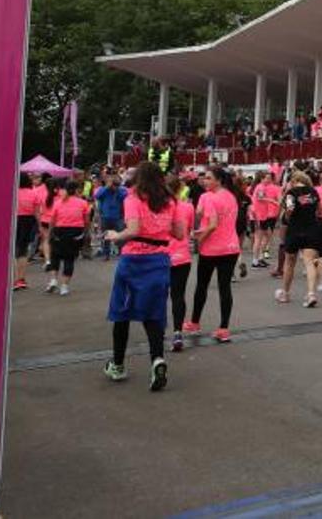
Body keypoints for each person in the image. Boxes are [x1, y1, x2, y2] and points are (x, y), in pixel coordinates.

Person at [103, 161, 181, 391]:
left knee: (122, 312)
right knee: (154, 314)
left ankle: (117, 365)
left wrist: (116, 235)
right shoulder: (170, 202)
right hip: (159, 262)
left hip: (133, 261)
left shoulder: (133, 199)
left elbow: (134, 230)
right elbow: (179, 232)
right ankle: (157, 360)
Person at [187, 166, 240, 343]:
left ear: (218, 180)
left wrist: (198, 237)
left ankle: (195, 322)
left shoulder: (208, 198)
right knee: (224, 287)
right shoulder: (231, 196)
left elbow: (211, 224)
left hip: (211, 248)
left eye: (209, 178)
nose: (204, 181)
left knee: (202, 285)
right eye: (204, 178)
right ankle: (224, 328)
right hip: (231, 247)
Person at [276, 171, 322, 307]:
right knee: (309, 263)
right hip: (311, 229)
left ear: (294, 180)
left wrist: (286, 218)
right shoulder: (314, 192)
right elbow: (320, 211)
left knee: (289, 262)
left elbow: (290, 209)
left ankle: (285, 293)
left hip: (295, 230)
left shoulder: (291, 193)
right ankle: (311, 294)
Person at [45, 180, 89, 295]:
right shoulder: (83, 203)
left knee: (55, 257)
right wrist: (86, 231)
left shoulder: (58, 202)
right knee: (69, 259)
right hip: (76, 232)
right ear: (76, 190)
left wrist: (49, 233)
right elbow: (87, 220)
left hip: (59, 231)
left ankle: (53, 280)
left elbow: (52, 221)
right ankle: (64, 286)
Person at [168, 179, 196, 352]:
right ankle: (177, 332)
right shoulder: (188, 207)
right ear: (180, 189)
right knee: (178, 295)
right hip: (181, 255)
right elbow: (190, 230)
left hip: (160, 256)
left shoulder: (158, 207)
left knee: (158, 295)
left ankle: (157, 331)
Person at [12, 173, 42, 291]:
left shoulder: (13, 193)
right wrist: (40, 226)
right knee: (23, 250)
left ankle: (14, 279)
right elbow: (37, 212)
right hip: (28, 221)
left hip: (14, 220)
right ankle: (21, 279)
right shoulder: (33, 193)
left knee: (14, 251)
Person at [94, 172, 128, 261]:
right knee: (106, 237)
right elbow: (97, 196)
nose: (115, 186)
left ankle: (122, 252)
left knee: (121, 236)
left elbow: (126, 197)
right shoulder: (103, 189)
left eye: (117, 184)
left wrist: (118, 189)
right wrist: (107, 187)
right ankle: (106, 254)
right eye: (114, 184)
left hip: (119, 217)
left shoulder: (122, 190)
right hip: (105, 216)